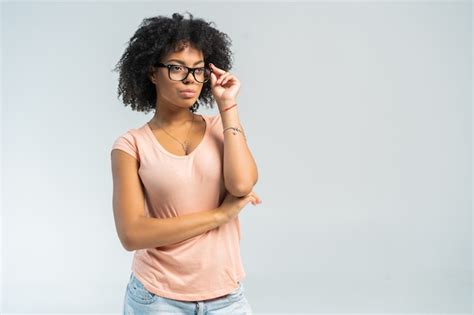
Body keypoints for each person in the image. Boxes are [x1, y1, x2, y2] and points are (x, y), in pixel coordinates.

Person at [110, 11, 262, 314]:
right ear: (152, 72)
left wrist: (227, 104)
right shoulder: (131, 146)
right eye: (177, 68)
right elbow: (132, 234)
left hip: (227, 297)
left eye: (198, 69)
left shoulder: (222, 127)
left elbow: (243, 184)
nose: (190, 79)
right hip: (157, 299)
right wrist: (220, 215)